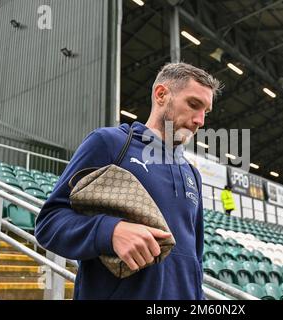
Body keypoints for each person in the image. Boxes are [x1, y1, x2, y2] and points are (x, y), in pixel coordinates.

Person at [35, 62, 222, 299]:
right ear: (161, 95)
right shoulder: (110, 143)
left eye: (206, 111)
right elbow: (49, 224)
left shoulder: (192, 174)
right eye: (194, 105)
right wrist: (110, 231)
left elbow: (195, 259)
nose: (200, 120)